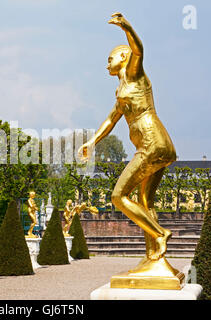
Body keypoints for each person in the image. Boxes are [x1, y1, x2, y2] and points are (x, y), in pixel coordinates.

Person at [78, 13, 176, 261]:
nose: (106, 64)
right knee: (145, 201)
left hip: (151, 144)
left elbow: (139, 50)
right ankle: (154, 257)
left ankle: (160, 234)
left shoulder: (134, 75)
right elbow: (111, 120)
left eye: (109, 59)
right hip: (157, 144)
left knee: (118, 196)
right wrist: (92, 142)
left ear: (123, 58)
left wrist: (126, 27)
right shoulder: (123, 90)